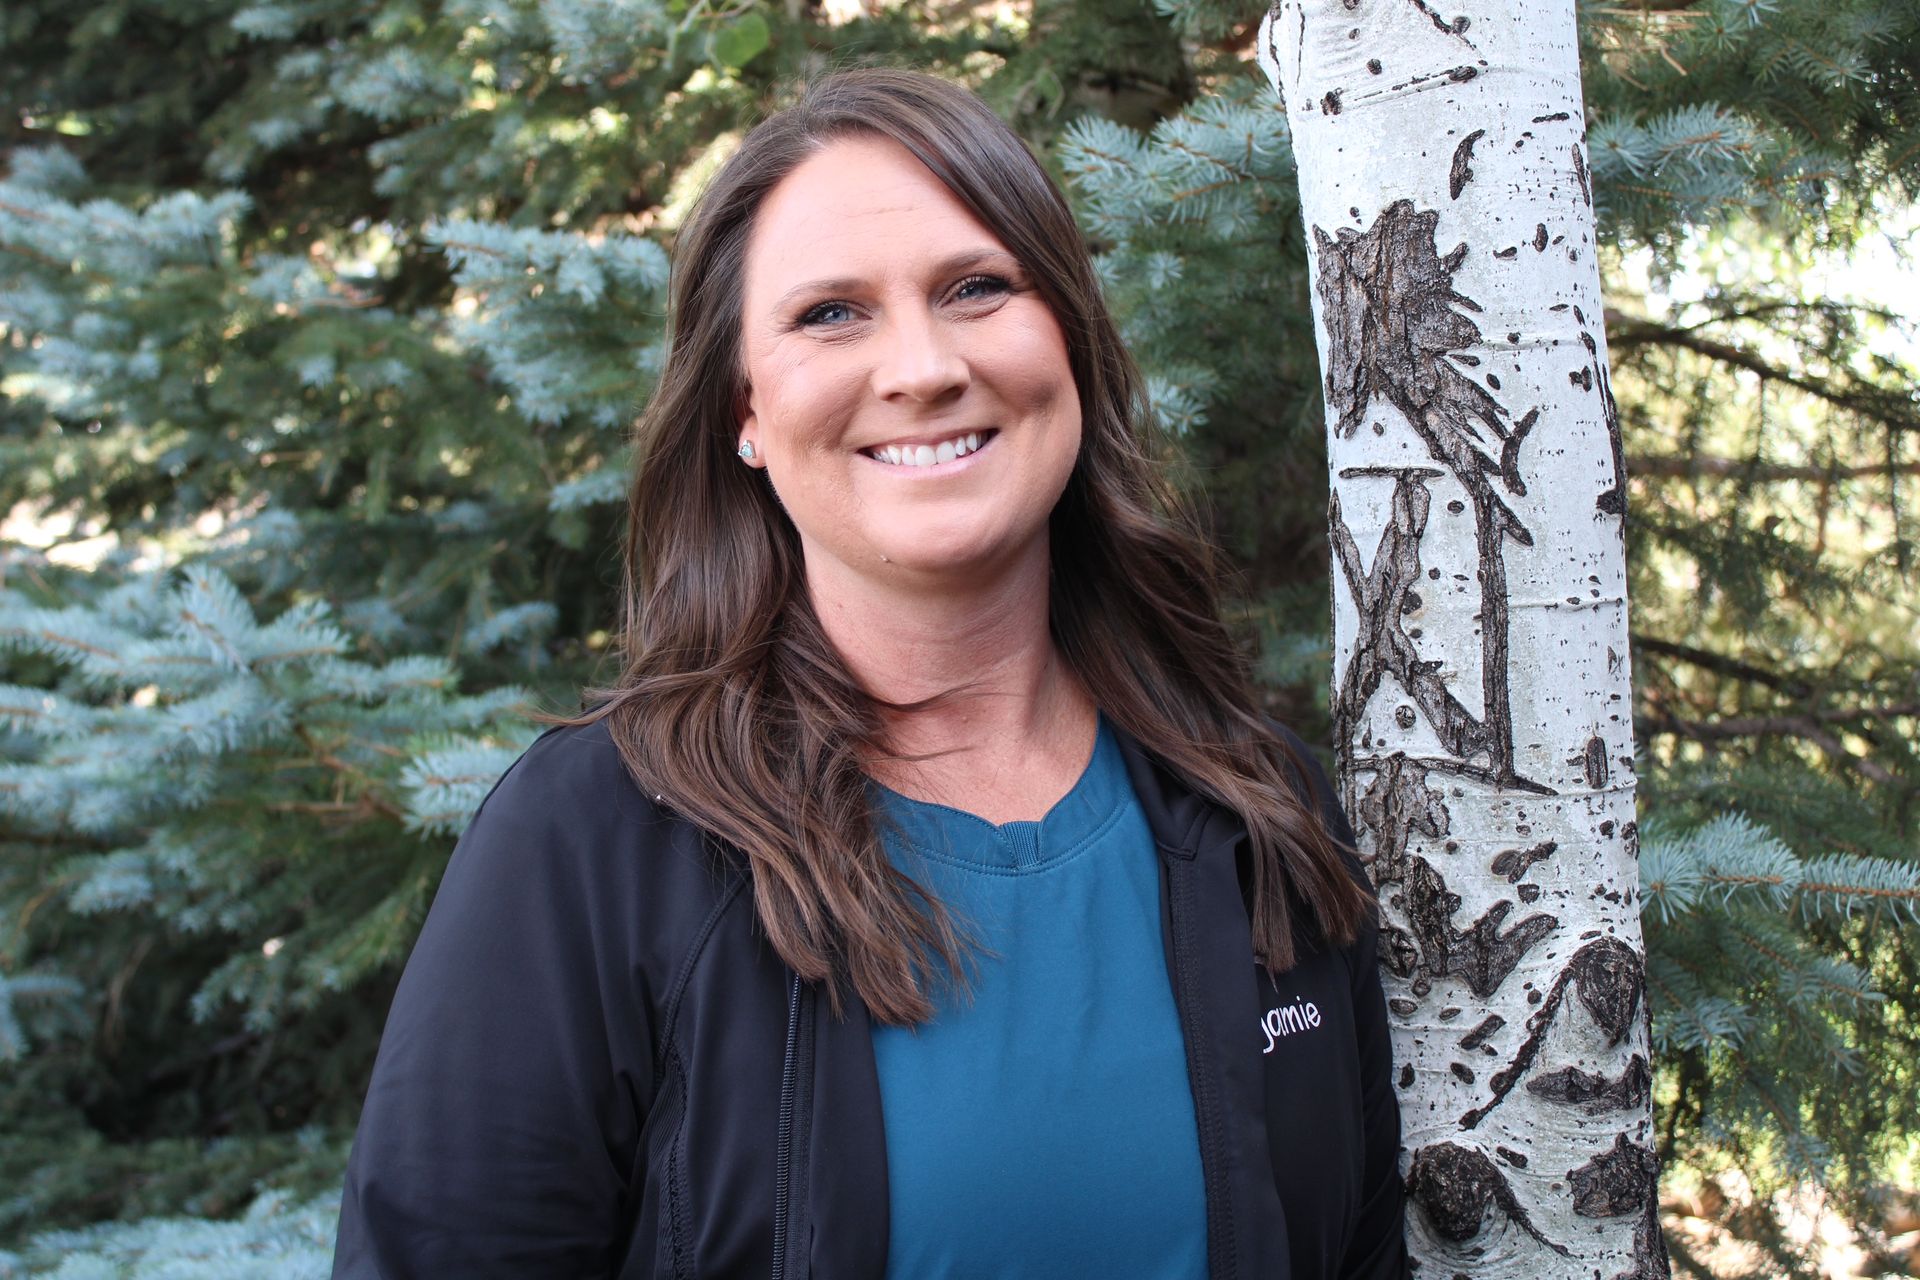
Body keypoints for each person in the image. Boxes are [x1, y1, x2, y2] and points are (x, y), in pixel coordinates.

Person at [331, 67, 1409, 1280]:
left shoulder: (1260, 816)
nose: (923, 365)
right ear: (744, 406)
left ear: (1070, 339)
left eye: (977, 287)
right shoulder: (593, 849)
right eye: (831, 314)